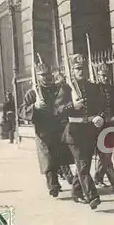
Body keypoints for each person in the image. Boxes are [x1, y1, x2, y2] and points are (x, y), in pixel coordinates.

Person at [18, 61, 75, 198]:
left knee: (62, 154)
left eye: (48, 74)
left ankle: (69, 177)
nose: (46, 78)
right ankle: (53, 185)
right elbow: (21, 111)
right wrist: (35, 107)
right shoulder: (33, 94)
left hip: (59, 128)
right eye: (43, 75)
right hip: (43, 131)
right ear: (37, 77)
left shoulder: (58, 89)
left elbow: (68, 99)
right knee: (48, 159)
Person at [58, 54, 106, 210]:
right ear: (72, 70)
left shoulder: (93, 87)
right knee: (83, 165)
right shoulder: (66, 88)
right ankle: (92, 196)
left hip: (89, 131)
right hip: (74, 132)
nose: (81, 71)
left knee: (84, 165)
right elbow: (57, 111)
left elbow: (102, 106)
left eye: (83, 68)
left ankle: (76, 192)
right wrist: (72, 106)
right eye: (78, 69)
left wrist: (100, 117)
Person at [92, 61, 114, 192]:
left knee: (107, 154)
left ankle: (98, 177)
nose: (105, 78)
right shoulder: (94, 90)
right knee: (104, 154)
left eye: (107, 75)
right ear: (98, 76)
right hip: (99, 127)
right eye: (102, 75)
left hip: (112, 126)